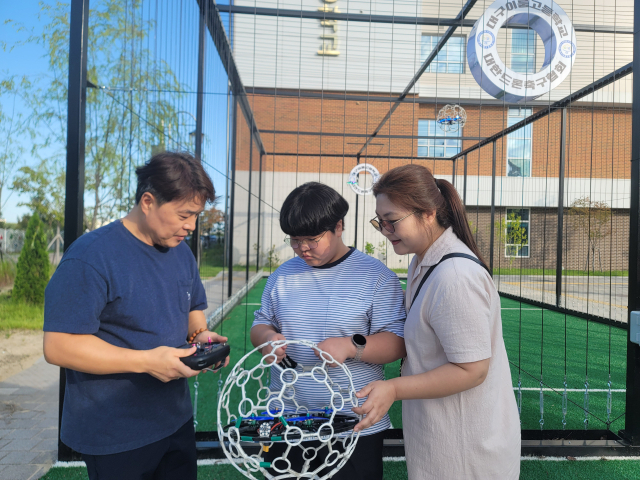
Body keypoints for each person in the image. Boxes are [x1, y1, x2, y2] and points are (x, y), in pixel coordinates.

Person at [43, 151, 229, 480]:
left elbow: (192, 308)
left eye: (196, 215)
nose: (191, 226)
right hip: (115, 433)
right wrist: (146, 361)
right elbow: (59, 346)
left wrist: (201, 336)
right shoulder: (91, 256)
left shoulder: (180, 251)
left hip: (176, 420)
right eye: (185, 214)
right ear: (147, 202)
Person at [352, 164, 520, 479]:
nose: (385, 231)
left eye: (392, 221)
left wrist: (393, 389)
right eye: (380, 222)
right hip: (443, 439)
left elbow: (472, 369)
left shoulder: (454, 276)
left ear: (428, 213)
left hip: (467, 452)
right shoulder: (423, 261)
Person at [250, 182, 406, 480]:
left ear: (338, 226)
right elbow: (261, 324)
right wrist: (267, 338)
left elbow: (397, 342)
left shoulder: (376, 277)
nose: (302, 248)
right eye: (294, 240)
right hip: (287, 418)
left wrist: (352, 346)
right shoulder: (283, 276)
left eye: (311, 239)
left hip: (354, 424)